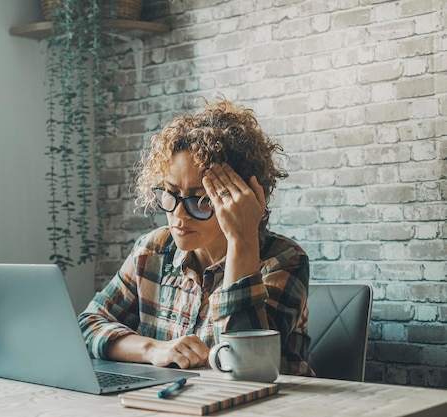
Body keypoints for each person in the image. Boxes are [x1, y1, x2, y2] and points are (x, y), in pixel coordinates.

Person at [78, 98, 315, 376]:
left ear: (242, 198)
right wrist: (154, 350)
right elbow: (89, 324)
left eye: (199, 200)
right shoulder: (152, 250)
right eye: (170, 192)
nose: (179, 214)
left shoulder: (284, 260)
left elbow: (249, 366)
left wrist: (242, 240)